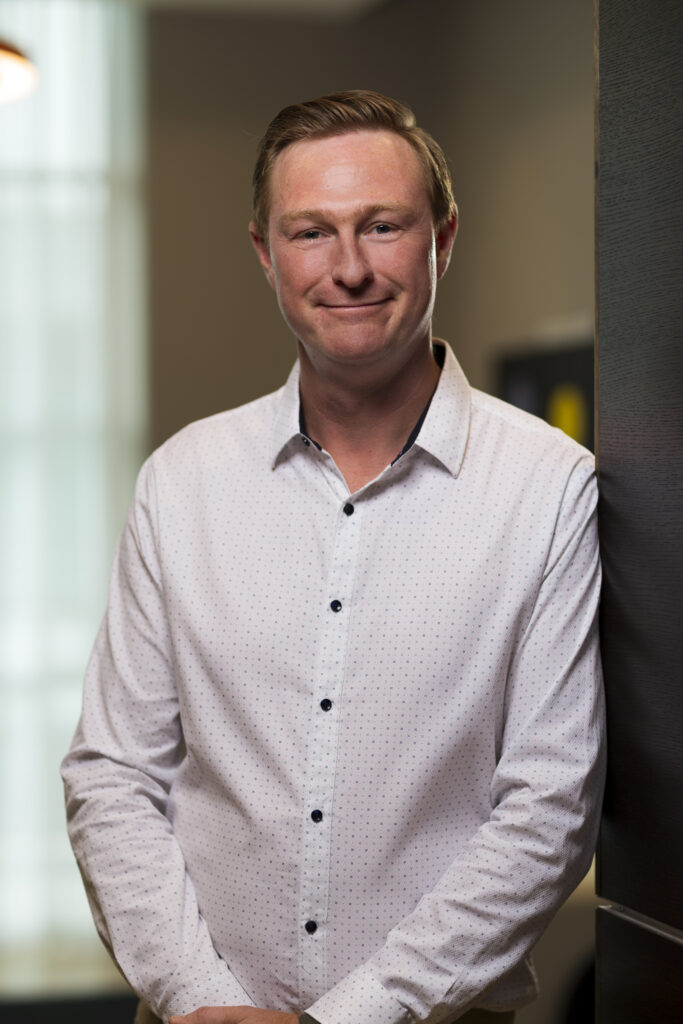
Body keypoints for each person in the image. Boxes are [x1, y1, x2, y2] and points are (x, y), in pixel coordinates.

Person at [61, 90, 605, 1024]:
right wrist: (198, 1001)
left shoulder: (550, 487)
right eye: (311, 233)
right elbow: (113, 773)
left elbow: (549, 805)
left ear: (441, 239)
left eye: (381, 226)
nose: (347, 269)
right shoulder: (181, 480)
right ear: (266, 253)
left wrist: (352, 1017)